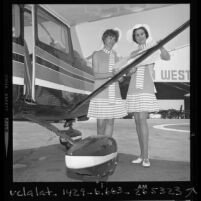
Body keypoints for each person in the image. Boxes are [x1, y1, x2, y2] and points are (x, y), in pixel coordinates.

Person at [126, 24, 170, 167]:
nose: (139, 36)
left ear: (146, 35)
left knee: (142, 120)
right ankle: (141, 154)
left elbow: (166, 57)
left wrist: (161, 46)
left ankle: (146, 157)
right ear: (134, 38)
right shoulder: (133, 53)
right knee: (137, 121)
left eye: (142, 34)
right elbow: (127, 72)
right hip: (133, 87)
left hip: (145, 87)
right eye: (137, 35)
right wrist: (130, 71)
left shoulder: (152, 49)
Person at [87, 29, 127, 136]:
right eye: (109, 37)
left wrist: (119, 76)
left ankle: (107, 146)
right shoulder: (96, 54)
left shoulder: (118, 56)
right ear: (104, 39)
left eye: (114, 39)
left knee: (110, 122)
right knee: (100, 124)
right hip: (100, 92)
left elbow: (121, 79)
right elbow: (96, 75)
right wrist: (111, 74)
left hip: (114, 93)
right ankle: (99, 147)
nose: (112, 40)